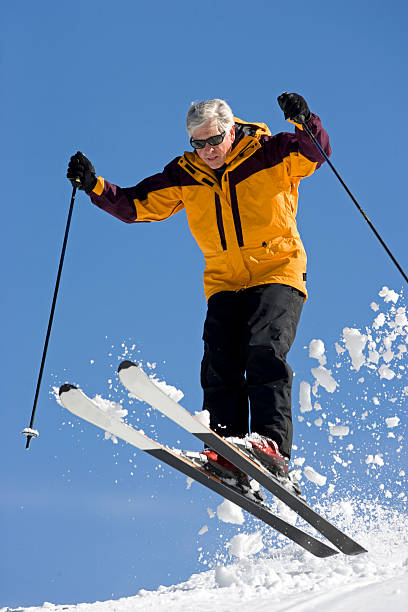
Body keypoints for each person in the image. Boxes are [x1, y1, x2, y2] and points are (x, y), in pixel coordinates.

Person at [67, 93, 331, 487]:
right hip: (224, 280)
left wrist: (305, 119)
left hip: (277, 270)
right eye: (198, 143)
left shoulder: (270, 152)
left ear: (230, 129)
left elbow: (315, 152)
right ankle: (226, 450)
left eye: (214, 140)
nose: (207, 151)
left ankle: (271, 447)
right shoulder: (186, 173)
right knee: (219, 361)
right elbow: (136, 205)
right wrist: (94, 186)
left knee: (264, 350)